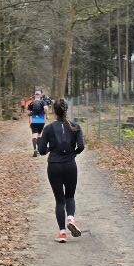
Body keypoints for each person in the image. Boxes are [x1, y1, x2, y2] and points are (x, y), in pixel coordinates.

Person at [38, 97, 84, 242]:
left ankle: (62, 233)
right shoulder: (75, 126)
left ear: (54, 111)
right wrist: (73, 154)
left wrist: (45, 142)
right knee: (70, 196)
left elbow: (42, 151)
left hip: (54, 166)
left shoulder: (48, 128)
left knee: (59, 200)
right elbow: (81, 146)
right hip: (70, 165)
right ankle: (70, 219)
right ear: (66, 110)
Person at [27, 89, 48, 155]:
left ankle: (35, 150)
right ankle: (39, 150)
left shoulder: (31, 103)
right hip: (41, 121)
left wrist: (31, 114)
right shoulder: (43, 102)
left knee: (34, 135)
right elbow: (46, 108)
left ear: (35, 95)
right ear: (40, 95)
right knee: (39, 135)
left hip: (33, 121)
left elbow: (28, 112)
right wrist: (46, 114)